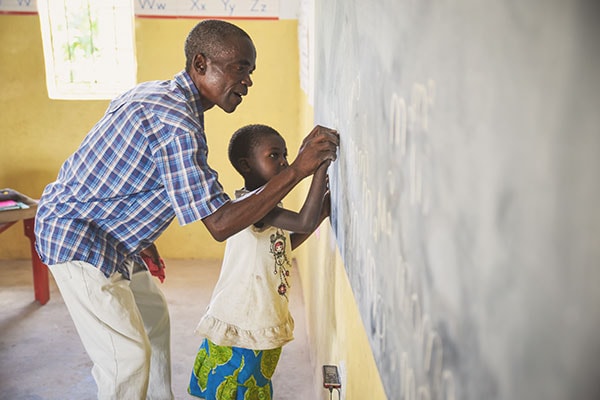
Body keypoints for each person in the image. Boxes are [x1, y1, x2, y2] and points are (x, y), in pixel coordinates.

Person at [34, 20, 339, 400]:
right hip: (76, 235)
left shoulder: (162, 96)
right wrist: (298, 169)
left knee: (155, 320)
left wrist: (140, 236)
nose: (247, 81)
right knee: (125, 358)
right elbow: (220, 223)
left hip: (110, 235)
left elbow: (123, 167)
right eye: (239, 68)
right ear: (200, 64)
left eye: (250, 71)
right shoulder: (176, 121)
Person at [188, 124, 331, 400]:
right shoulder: (255, 207)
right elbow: (305, 220)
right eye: (274, 155)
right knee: (237, 384)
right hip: (245, 321)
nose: (284, 163)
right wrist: (320, 166)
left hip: (257, 314)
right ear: (246, 165)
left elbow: (280, 246)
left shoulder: (265, 208)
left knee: (250, 383)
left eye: (286, 155)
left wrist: (322, 211)